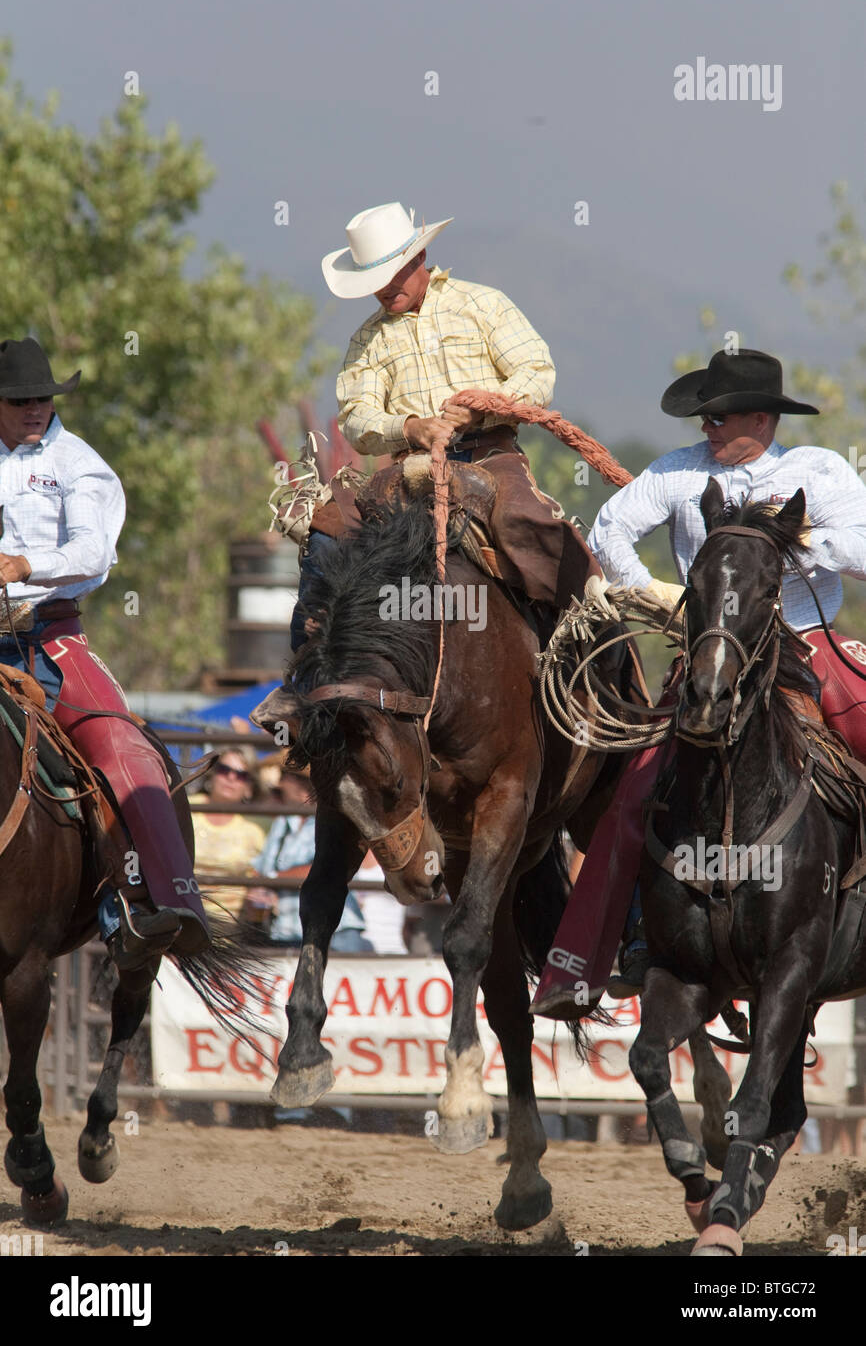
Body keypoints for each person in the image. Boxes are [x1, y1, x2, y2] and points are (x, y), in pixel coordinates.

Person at [532, 347, 866, 1013]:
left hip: (805, 647)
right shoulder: (677, 472)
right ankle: (618, 948)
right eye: (704, 416)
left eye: (719, 416)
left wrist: (796, 542)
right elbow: (609, 530)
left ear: (762, 418)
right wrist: (656, 593)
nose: (707, 427)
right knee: (634, 796)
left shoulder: (817, 472)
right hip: (711, 654)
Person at [289, 201, 602, 654]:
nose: (383, 290)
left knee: (531, 527)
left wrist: (483, 407)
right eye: (374, 282)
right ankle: (307, 674)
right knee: (327, 536)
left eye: (391, 276)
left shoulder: (481, 304)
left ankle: (590, 646)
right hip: (409, 467)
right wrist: (411, 428)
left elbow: (537, 373)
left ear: (417, 260)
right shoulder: (367, 339)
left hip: (491, 458)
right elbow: (356, 418)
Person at [0, 337, 211, 967]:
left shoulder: (78, 464)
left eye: (42, 396)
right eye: (19, 399)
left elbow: (93, 553)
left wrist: (24, 565)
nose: (34, 407)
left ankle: (164, 901)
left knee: (123, 746)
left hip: (50, 639)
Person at [255, 766, 372, 950]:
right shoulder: (283, 822)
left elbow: (323, 869)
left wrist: (273, 879)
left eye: (286, 776)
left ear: (303, 786)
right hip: (285, 931)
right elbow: (261, 869)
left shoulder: (338, 820)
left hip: (336, 933)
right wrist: (260, 885)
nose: (282, 783)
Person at [189, 748, 268, 922]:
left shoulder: (254, 831)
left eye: (241, 775)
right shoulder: (186, 808)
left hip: (226, 927)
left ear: (249, 788)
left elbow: (257, 885)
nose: (231, 778)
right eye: (224, 770)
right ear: (212, 774)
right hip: (180, 916)